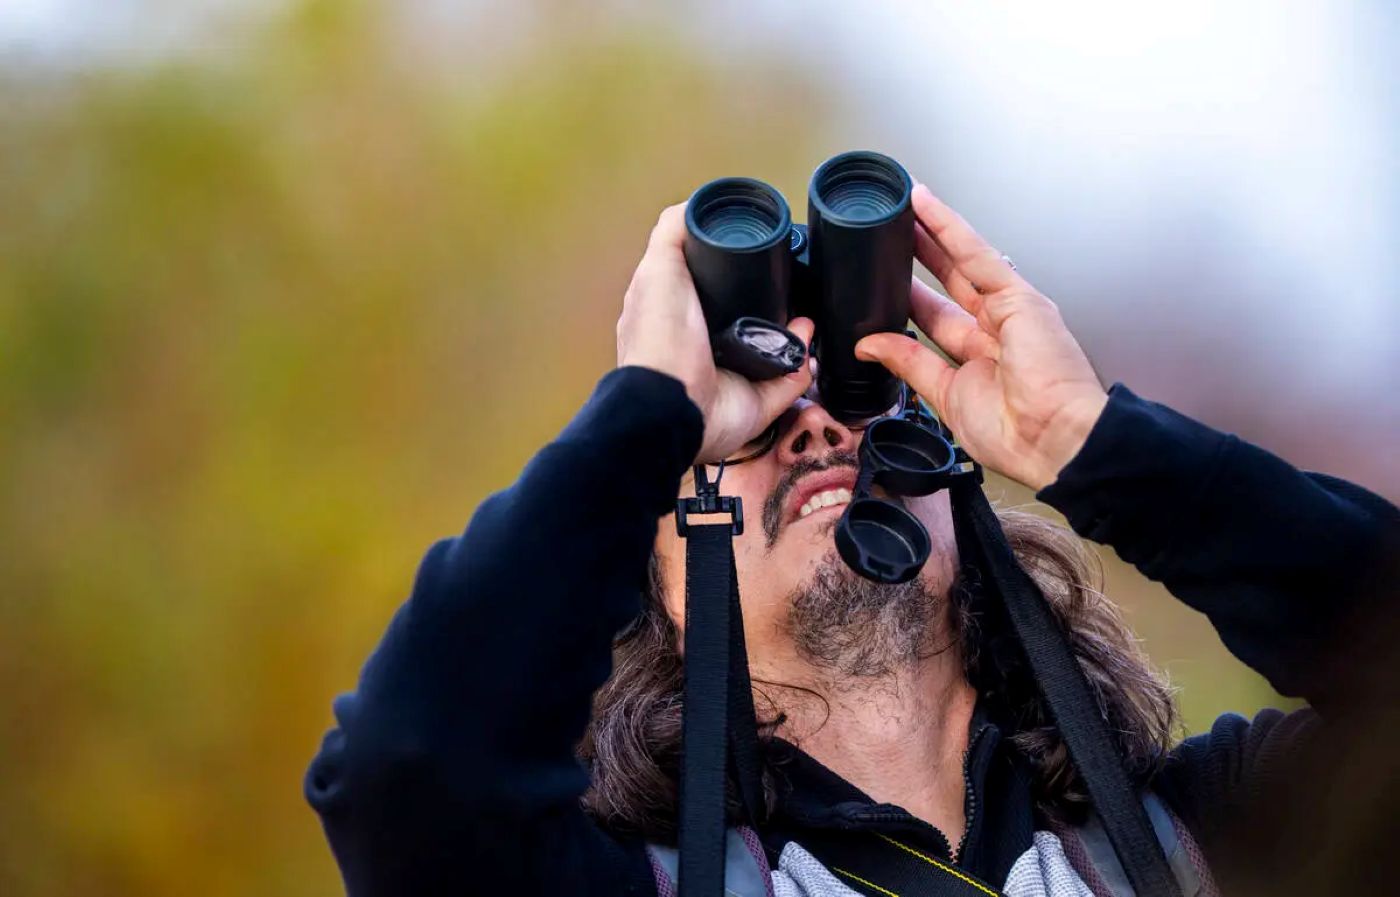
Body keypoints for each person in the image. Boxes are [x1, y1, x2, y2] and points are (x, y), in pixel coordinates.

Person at [303, 184, 1397, 896]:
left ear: (958, 497)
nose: (820, 426)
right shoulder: (622, 884)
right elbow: (409, 773)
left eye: (863, 410)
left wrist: (1090, 442)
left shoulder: (1214, 842)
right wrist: (645, 419)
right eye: (755, 431)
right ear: (663, 593)